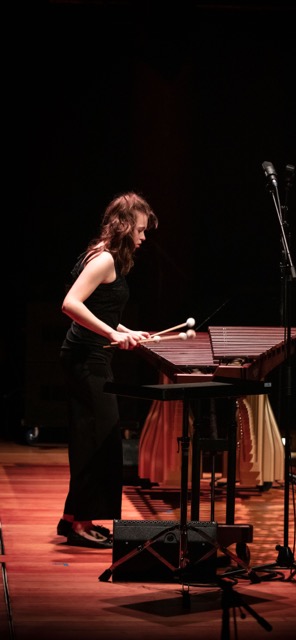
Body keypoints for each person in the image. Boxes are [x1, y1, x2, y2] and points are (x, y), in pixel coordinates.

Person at [57, 191, 158, 548]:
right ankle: (80, 524)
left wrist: (126, 331)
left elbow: (101, 309)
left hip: (91, 356)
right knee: (96, 442)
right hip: (85, 358)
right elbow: (70, 304)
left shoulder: (108, 256)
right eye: (140, 230)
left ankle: (74, 518)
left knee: (97, 438)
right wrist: (113, 334)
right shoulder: (103, 260)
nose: (143, 237)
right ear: (125, 226)